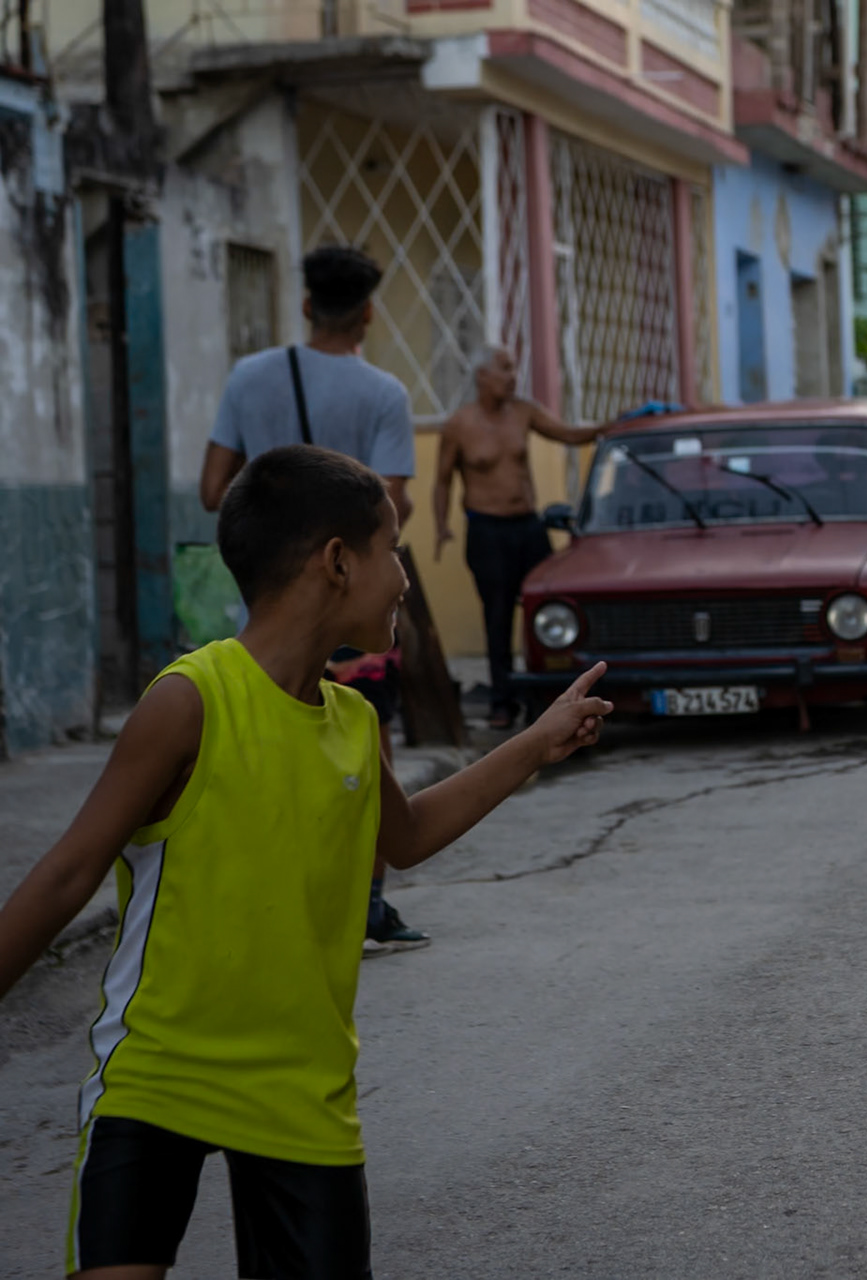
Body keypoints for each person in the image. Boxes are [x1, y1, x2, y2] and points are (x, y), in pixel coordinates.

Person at [0, 446, 613, 1278]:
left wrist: (535, 744)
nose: (404, 578)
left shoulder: (353, 722)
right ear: (336, 561)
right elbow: (69, 873)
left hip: (303, 1096)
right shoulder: (190, 701)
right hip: (157, 1077)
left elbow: (407, 836)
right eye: (391, 549)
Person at [199, 243, 428, 953]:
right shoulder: (383, 394)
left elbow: (212, 490)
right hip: (350, 607)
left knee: (262, 748)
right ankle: (368, 905)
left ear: (305, 304)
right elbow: (392, 507)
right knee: (365, 742)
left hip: (269, 608)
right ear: (368, 314)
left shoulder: (249, 377)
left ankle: (272, 897)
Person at [436, 347, 617, 729]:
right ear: (482, 376)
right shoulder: (459, 424)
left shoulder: (523, 412)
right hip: (488, 530)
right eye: (504, 369)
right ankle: (502, 702)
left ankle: (552, 697)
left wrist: (611, 427)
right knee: (498, 615)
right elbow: (442, 480)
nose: (512, 376)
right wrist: (441, 526)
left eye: (514, 368)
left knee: (550, 605)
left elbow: (569, 434)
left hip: (528, 526)